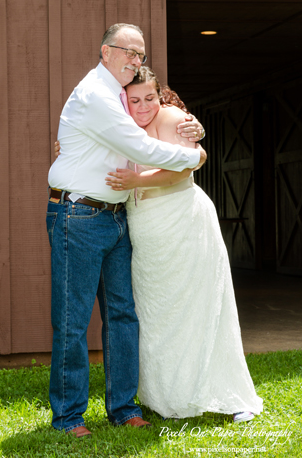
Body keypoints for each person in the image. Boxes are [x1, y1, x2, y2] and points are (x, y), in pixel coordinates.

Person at [46, 23, 206, 438]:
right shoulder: (96, 94)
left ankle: (122, 407)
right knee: (73, 320)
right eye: (128, 52)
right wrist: (196, 155)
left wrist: (193, 131)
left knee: (122, 315)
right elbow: (140, 147)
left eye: (141, 55)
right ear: (105, 51)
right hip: (79, 215)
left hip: (117, 217)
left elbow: (143, 130)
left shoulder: (117, 93)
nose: (136, 61)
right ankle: (68, 418)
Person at [103, 67, 263, 422]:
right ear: (123, 101)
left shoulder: (175, 118)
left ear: (159, 96)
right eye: (134, 100)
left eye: (149, 98)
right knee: (158, 313)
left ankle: (226, 393)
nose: (143, 106)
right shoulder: (121, 125)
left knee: (198, 307)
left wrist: (135, 178)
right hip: (144, 230)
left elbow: (185, 167)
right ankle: (166, 393)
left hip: (183, 222)